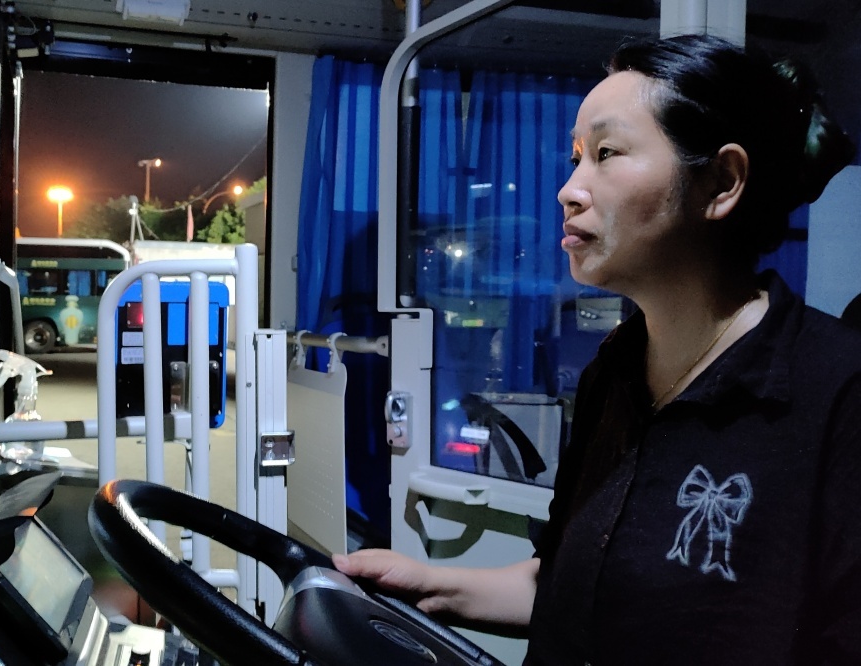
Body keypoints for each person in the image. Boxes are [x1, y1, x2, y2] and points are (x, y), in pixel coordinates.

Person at [333, 33, 861, 665]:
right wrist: (428, 584)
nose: (568, 190)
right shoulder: (611, 373)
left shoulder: (838, 392)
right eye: (576, 157)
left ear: (721, 182)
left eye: (607, 154)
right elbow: (563, 587)